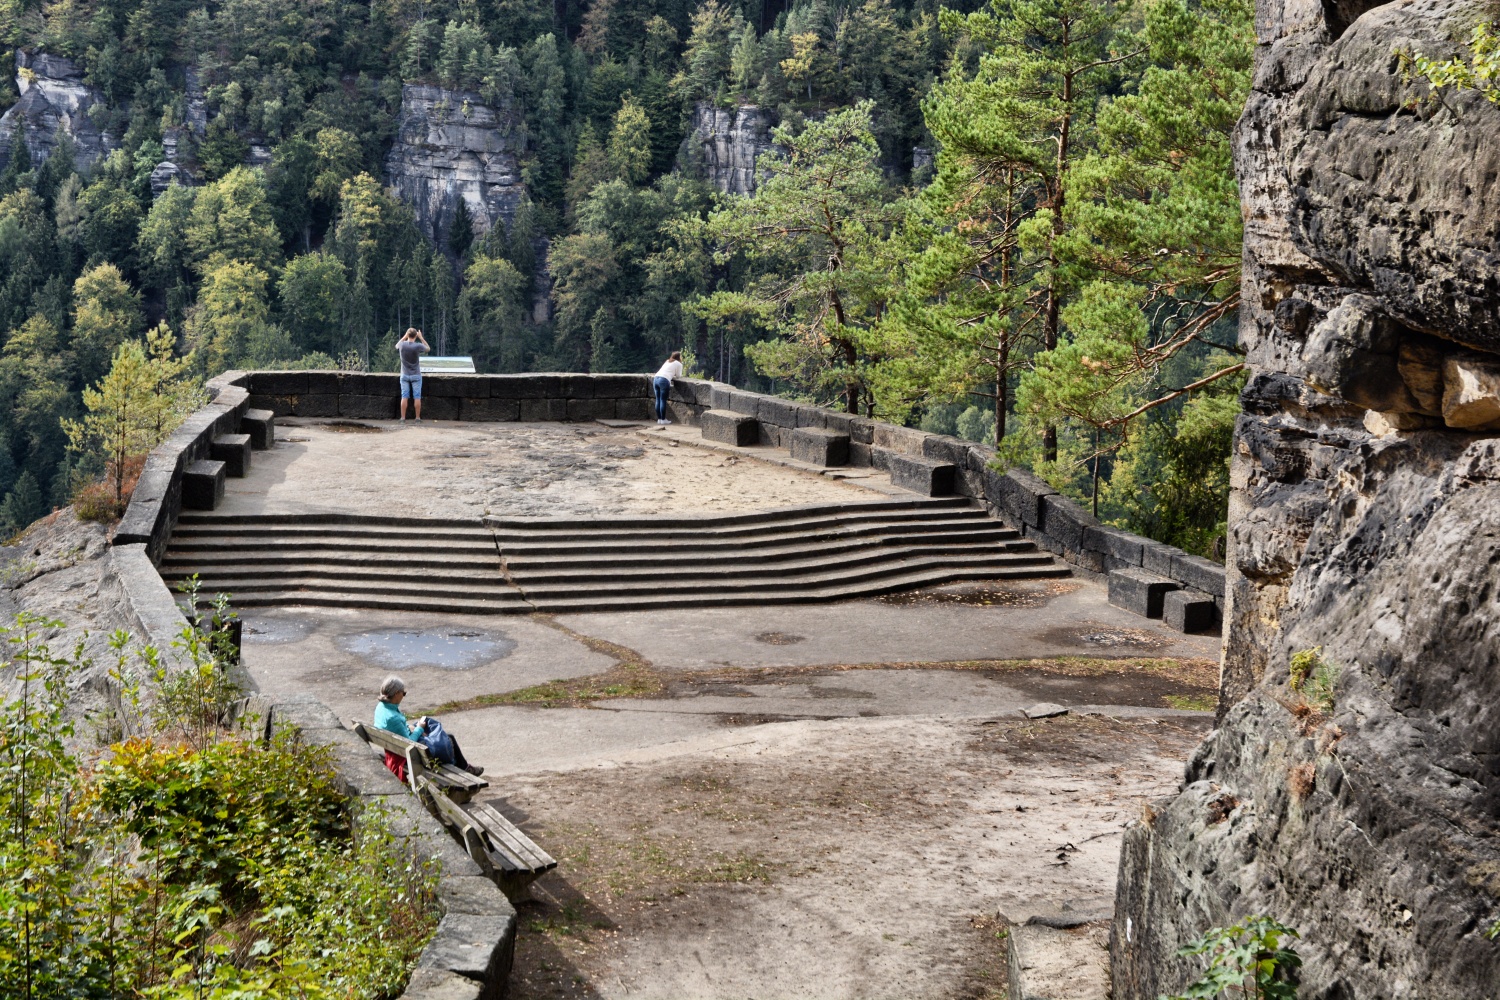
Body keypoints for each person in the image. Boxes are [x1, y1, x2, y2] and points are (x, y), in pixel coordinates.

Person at [374, 675, 483, 777]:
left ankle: (464, 767)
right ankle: (463, 768)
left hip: (394, 749)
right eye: (403, 693)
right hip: (406, 755)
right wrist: (419, 728)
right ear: (396, 693)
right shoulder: (393, 718)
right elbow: (409, 742)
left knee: (445, 737)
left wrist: (409, 727)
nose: (403, 695)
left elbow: (396, 728)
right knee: (448, 739)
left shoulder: (382, 707)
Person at [397, 328, 430, 422]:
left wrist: (404, 336)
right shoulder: (418, 346)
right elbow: (428, 348)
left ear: (408, 335)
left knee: (404, 396)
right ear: (415, 336)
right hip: (416, 374)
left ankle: (403, 418)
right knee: (417, 396)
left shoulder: (402, 345)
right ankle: (417, 418)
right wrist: (421, 338)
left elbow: (396, 345)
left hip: (404, 374)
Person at [652, 351, 683, 425]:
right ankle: (663, 420)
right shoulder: (678, 364)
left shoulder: (667, 361)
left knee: (658, 399)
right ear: (679, 357)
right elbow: (678, 376)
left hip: (656, 379)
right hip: (664, 380)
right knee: (663, 400)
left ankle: (659, 419)